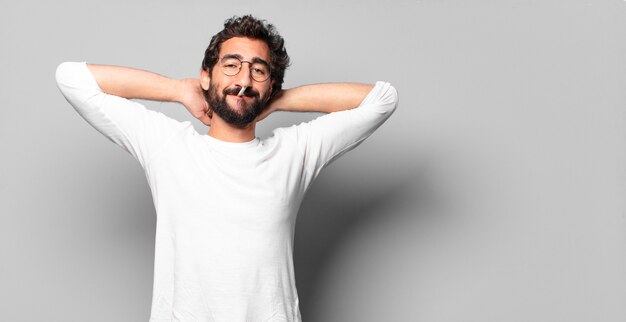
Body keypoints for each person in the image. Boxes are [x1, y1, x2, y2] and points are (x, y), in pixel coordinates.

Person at [56, 15, 398, 322]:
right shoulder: (168, 147)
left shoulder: (293, 153)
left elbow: (382, 99)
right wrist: (177, 90)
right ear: (206, 76)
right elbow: (71, 78)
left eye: (259, 70)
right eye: (232, 65)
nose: (244, 79)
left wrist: (275, 99)